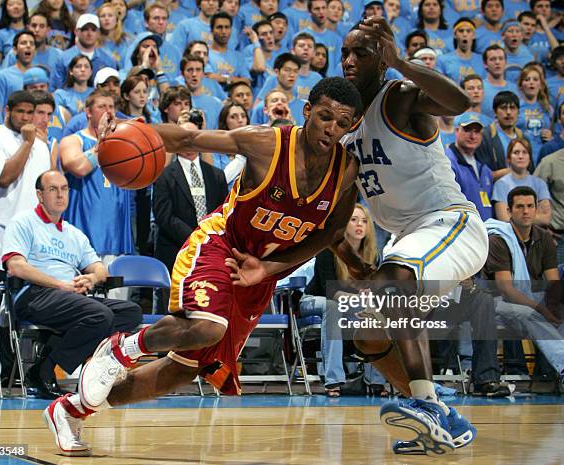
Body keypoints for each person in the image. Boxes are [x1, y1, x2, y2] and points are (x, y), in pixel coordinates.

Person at [43, 77, 363, 456]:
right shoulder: (267, 142)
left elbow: (330, 233)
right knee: (207, 328)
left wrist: (270, 268)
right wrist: (135, 129)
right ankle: (120, 348)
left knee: (184, 368)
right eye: (325, 116)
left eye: (342, 124)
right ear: (308, 111)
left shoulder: (345, 170)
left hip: (259, 271)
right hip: (221, 244)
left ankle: (69, 411)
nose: (332, 129)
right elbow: (187, 141)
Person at [338, 17, 487, 455]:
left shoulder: (398, 97)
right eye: (344, 52)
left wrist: (401, 62)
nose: (348, 60)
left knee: (394, 277)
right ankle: (441, 420)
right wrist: (356, 263)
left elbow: (457, 102)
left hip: (450, 222)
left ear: (380, 59)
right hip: (406, 240)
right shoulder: (348, 129)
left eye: (360, 52)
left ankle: (424, 403)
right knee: (366, 331)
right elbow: (334, 221)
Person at [2, 170, 142, 399]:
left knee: (130, 312)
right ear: (39, 195)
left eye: (64, 189)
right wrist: (59, 284)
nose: (60, 195)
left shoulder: (73, 233)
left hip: (71, 297)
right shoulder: (24, 222)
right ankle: (48, 368)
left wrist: (92, 278)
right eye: (53, 189)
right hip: (34, 295)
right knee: (99, 314)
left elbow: (100, 268)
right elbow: (16, 266)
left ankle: (45, 363)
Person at [483, 186, 564, 398]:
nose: (525, 211)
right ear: (509, 211)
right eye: (519, 207)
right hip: (496, 305)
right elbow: (506, 289)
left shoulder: (543, 238)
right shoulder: (498, 239)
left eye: (530, 206)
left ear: (536, 210)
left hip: (534, 299)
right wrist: (542, 309)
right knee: (531, 313)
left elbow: (553, 281)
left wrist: (552, 306)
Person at [301, 203, 387, 397]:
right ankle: (333, 380)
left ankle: (376, 381)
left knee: (377, 311)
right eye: (354, 220)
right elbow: (331, 292)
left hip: (348, 305)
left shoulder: (372, 256)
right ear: (344, 224)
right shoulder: (328, 250)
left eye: (364, 221)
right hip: (315, 300)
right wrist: (361, 298)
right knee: (333, 307)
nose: (360, 225)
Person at [0, 90, 51, 298]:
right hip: (0, 235)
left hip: (33, 239)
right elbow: (4, 178)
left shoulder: (41, 146)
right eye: (20, 112)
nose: (26, 118)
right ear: (7, 110)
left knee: (29, 308)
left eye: (30, 112)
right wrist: (27, 143)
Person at [58, 89, 134, 284]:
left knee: (118, 303)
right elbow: (78, 167)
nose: (107, 112)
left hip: (116, 233)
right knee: (86, 303)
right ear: (88, 112)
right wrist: (102, 140)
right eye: (101, 107)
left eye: (111, 107)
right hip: (84, 231)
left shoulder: (122, 144)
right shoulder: (73, 140)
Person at [153, 120, 228, 312]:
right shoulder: (163, 176)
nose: (188, 143)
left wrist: (208, 240)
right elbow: (164, 217)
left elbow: (223, 213)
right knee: (175, 312)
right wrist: (196, 237)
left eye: (192, 138)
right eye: (182, 138)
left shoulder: (217, 175)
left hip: (211, 253)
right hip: (175, 251)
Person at [534, 113, 564, 266]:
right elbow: (531, 193)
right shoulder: (551, 162)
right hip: (562, 239)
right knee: (558, 288)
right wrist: (540, 227)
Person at [492, 138, 552, 225]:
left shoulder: (540, 184)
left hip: (535, 235)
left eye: (525, 152)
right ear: (508, 158)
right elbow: (504, 218)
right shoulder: (500, 184)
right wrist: (534, 215)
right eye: (516, 152)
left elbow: (545, 218)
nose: (520, 156)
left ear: (530, 158)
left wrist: (516, 216)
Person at [446, 112, 494, 221]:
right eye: (467, 130)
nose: (473, 136)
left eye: (477, 131)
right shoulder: (448, 163)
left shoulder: (485, 169)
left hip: (484, 230)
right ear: (456, 131)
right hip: (461, 230)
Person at [475, 90, 525, 180]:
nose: (508, 112)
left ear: (518, 112)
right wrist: (509, 172)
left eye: (512, 108)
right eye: (503, 108)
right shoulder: (485, 136)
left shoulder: (522, 137)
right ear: (495, 111)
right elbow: (481, 175)